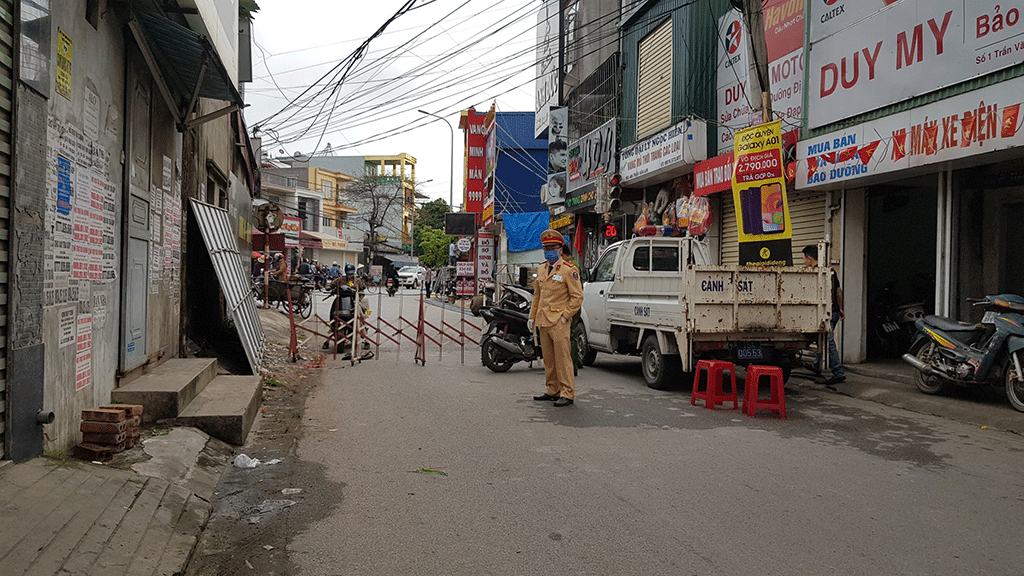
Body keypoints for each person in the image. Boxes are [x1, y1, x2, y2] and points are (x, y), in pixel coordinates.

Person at [529, 229, 584, 407]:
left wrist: (566, 316)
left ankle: (567, 393)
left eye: (552, 247)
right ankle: (552, 389)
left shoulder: (569, 270)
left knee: (563, 358)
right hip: (543, 319)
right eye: (546, 248)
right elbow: (537, 296)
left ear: (561, 249)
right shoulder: (542, 268)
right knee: (549, 358)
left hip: (559, 320)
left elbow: (577, 297)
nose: (549, 251)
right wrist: (532, 317)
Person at [803, 245, 845, 387]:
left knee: (828, 341)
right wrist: (841, 309)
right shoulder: (830, 272)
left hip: (823, 313)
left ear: (809, 258)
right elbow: (838, 292)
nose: (804, 262)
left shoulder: (814, 274)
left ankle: (838, 372)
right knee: (822, 339)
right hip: (834, 312)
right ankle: (816, 364)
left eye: (804, 258)